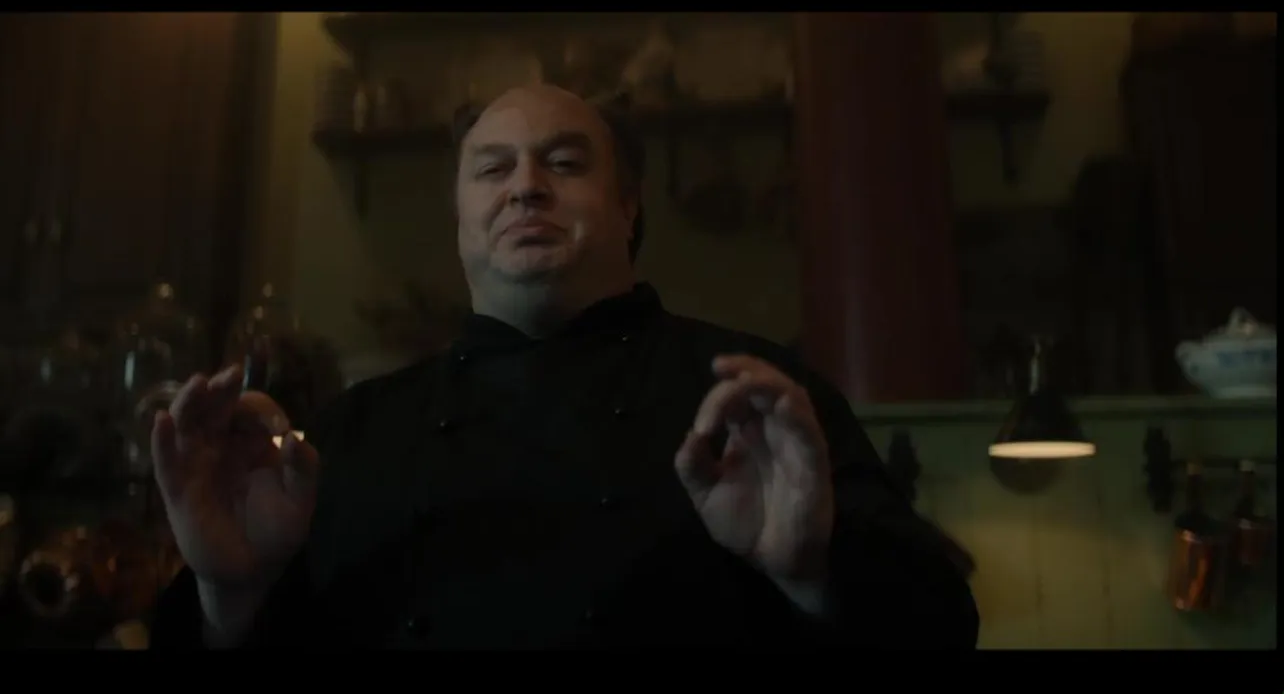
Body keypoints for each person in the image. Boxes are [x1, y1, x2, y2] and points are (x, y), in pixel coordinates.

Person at [148, 84, 979, 649]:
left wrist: (815, 570)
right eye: (493, 168)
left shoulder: (752, 397)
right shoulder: (348, 435)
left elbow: (942, 627)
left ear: (628, 206)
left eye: (566, 163)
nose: (526, 188)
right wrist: (231, 597)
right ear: (461, 217)